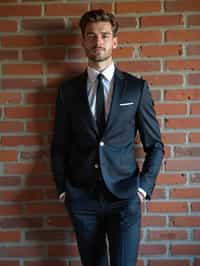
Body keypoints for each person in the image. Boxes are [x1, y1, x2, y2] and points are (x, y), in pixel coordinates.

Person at [51, 9, 164, 266]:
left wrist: (142, 189)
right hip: (83, 198)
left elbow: (155, 145)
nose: (97, 42)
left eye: (104, 35)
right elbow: (59, 145)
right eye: (91, 36)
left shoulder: (136, 88)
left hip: (125, 199)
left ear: (115, 41)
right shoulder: (67, 92)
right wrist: (63, 190)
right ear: (83, 41)